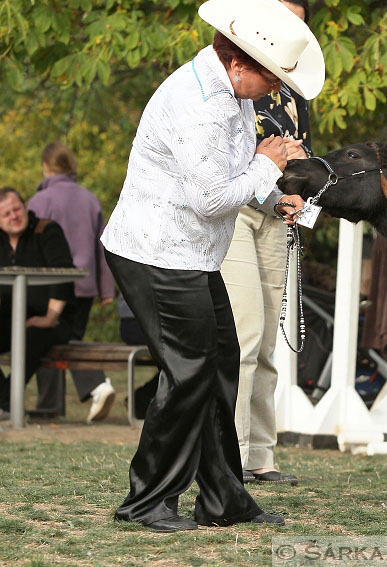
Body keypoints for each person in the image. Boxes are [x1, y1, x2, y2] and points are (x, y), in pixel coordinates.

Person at [99, 0, 323, 532]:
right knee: (188, 372)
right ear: (241, 63)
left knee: (221, 364)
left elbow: (235, 176)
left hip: (192, 253)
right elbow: (210, 198)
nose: (274, 91)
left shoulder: (230, 90)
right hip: (155, 252)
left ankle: (224, 498)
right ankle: (146, 500)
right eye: (271, 79)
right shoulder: (201, 103)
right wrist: (268, 163)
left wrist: (278, 201)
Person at [221, 0, 312, 487]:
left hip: (277, 212)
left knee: (268, 345)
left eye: (299, 18)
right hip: (235, 210)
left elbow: (302, 152)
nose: (291, 25)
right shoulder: (236, 75)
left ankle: (261, 454)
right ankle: (229, 455)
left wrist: (297, 188)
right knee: (246, 334)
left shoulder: (296, 88)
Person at [27, 141, 117, 422]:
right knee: (67, 339)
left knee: (51, 341)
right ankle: (53, 404)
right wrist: (105, 288)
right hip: (84, 286)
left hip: (51, 288)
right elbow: (100, 246)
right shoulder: (88, 199)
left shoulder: (40, 202)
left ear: (45, 166)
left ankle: (87, 389)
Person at [0, 188, 75, 420]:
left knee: (31, 337)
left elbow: (64, 275)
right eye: (6, 214)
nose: (14, 216)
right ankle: (6, 402)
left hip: (55, 320)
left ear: (25, 207)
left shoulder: (46, 231)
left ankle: (5, 402)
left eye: (17, 209)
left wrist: (50, 317)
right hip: (11, 318)